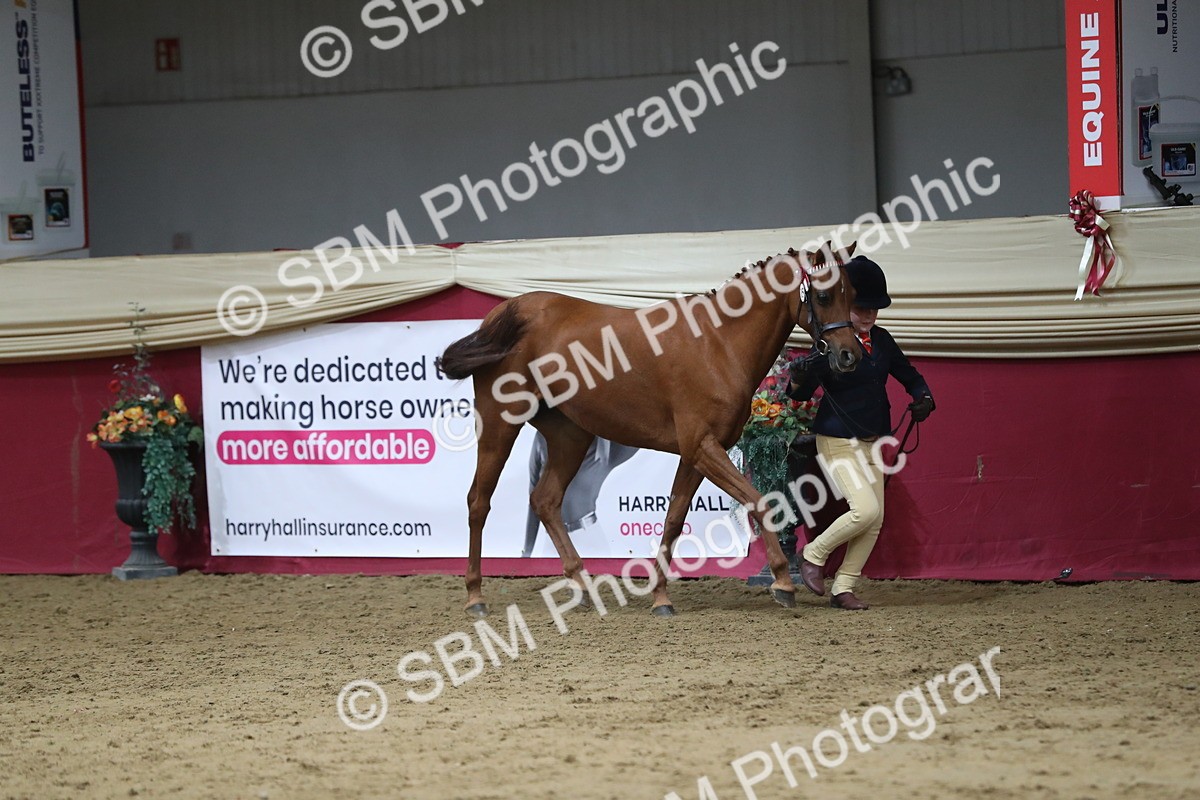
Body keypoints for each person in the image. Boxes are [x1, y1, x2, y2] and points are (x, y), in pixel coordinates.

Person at [786, 255, 934, 610]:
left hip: (873, 438)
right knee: (865, 510)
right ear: (847, 305)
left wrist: (923, 397)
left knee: (874, 520)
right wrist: (802, 376)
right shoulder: (830, 343)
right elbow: (798, 395)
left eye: (874, 309)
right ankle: (813, 554)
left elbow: (910, 376)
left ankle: (844, 588)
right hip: (837, 439)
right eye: (861, 307)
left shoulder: (882, 340)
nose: (868, 315)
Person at [522, 434, 639, 558]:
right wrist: (527, 553)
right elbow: (535, 499)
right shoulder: (543, 438)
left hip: (589, 537)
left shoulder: (604, 449)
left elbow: (638, 436)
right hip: (554, 538)